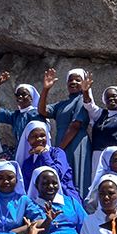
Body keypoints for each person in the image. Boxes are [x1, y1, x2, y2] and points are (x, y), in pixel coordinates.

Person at [39, 68, 94, 196]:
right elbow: (43, 111)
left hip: (76, 144)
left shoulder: (81, 100)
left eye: (77, 80)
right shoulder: (63, 104)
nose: (73, 82)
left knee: (76, 178)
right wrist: (45, 89)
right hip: (63, 144)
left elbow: (75, 126)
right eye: (70, 80)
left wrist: (59, 150)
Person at [28, 166, 85, 234]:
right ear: (37, 186)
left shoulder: (70, 201)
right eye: (45, 184)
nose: (50, 186)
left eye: (54, 183)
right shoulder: (31, 207)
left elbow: (85, 228)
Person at [16, 120, 81, 202]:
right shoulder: (28, 163)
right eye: (34, 137)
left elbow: (57, 174)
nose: (39, 139)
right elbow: (27, 188)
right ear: (28, 139)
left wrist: (44, 153)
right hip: (38, 204)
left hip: (66, 200)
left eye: (42, 135)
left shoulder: (58, 153)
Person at [0, 75, 40, 155]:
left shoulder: (36, 114)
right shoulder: (16, 115)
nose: (20, 97)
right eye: (17, 94)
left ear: (31, 98)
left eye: (24, 94)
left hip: (33, 152)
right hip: (20, 152)